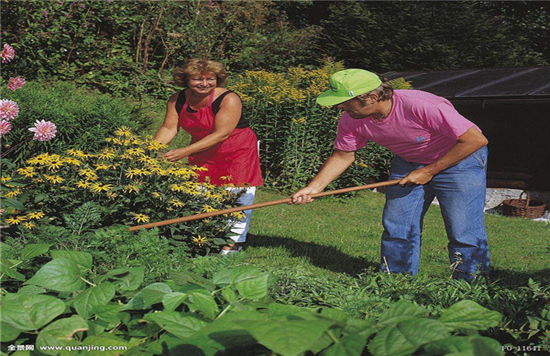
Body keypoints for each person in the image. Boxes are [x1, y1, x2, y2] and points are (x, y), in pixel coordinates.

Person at [291, 69, 490, 281]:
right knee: (398, 224)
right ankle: (395, 280)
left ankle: (470, 283)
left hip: (459, 160)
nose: (338, 106)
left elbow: (475, 140)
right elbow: (343, 156)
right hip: (408, 161)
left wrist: (429, 170)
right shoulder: (351, 119)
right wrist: (314, 188)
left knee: (462, 228)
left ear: (372, 98)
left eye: (344, 101)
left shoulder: (422, 105)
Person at [154, 59, 263, 254]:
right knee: (199, 194)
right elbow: (169, 127)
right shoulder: (177, 100)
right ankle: (202, 239)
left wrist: (183, 152)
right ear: (186, 80)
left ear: (217, 79)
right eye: (197, 79)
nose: (204, 84)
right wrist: (150, 150)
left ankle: (231, 246)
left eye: (210, 79)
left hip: (236, 152)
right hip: (202, 149)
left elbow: (221, 134)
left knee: (237, 196)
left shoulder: (228, 99)